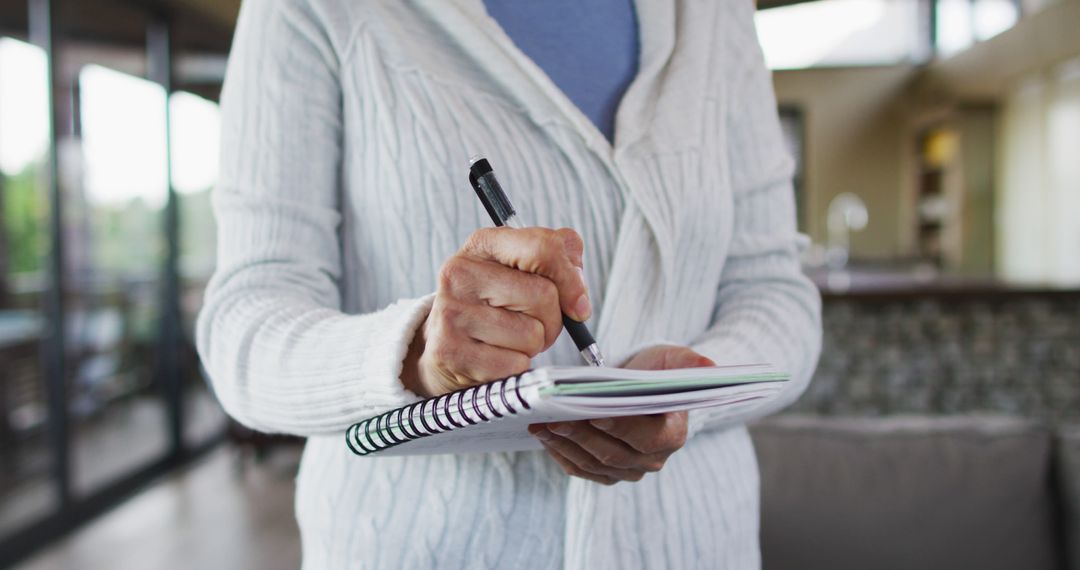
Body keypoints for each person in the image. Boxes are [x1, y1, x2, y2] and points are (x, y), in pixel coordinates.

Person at [197, 0, 822, 567]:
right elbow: (245, 327)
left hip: (696, 543)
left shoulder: (715, 16)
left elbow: (774, 292)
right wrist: (418, 355)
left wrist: (688, 394)